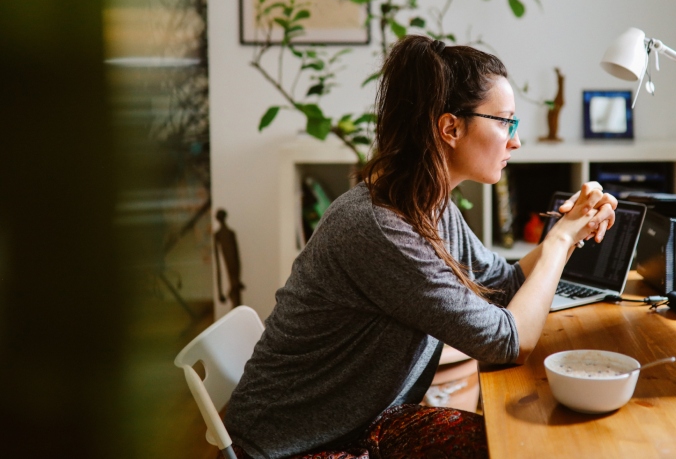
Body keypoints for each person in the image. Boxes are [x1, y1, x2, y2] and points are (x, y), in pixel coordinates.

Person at [224, 35, 617, 459]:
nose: (515, 140)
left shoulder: (427, 203)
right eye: (505, 122)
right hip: (293, 448)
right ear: (450, 128)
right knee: (514, 445)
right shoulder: (379, 227)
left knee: (515, 442)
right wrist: (558, 239)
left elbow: (503, 285)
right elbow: (509, 343)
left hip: (362, 423)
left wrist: (570, 230)